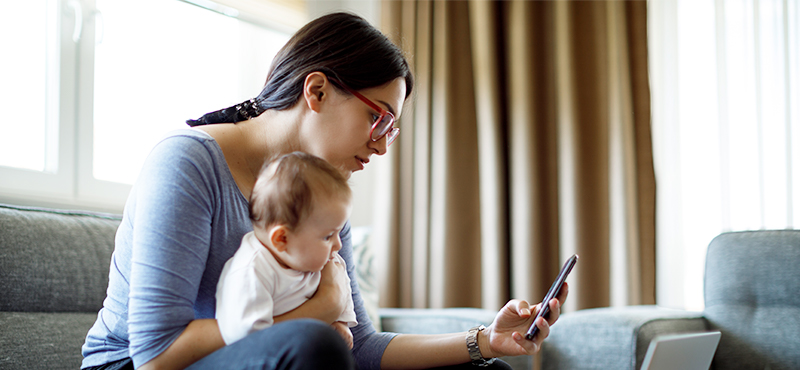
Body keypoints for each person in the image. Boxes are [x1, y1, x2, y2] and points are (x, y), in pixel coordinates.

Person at [81, 11, 568, 370]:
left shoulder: (323, 192)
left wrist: (483, 341)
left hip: (268, 357)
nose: (381, 145)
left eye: (392, 129)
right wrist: (315, 310)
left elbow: (361, 347)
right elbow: (154, 355)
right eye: (378, 117)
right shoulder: (187, 163)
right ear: (316, 92)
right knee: (314, 346)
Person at [215, 152, 357, 348]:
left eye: (338, 233)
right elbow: (248, 336)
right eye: (327, 236)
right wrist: (322, 314)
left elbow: (343, 291)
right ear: (282, 239)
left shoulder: (326, 260)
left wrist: (341, 322)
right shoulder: (253, 270)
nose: (338, 245)